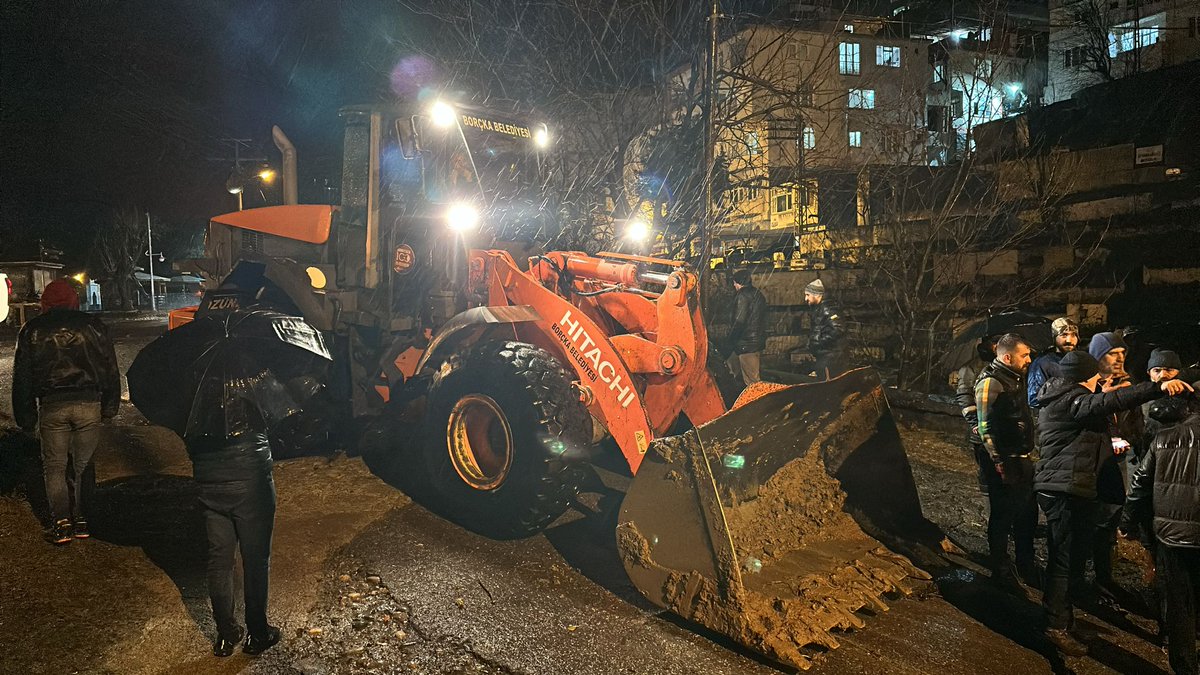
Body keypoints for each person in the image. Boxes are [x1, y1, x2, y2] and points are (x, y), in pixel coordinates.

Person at [1033, 349, 1192, 656]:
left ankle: (1064, 620)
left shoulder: (1063, 394)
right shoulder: (1072, 400)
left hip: (1069, 487)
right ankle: (1054, 626)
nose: (1101, 379)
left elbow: (1100, 406)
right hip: (1063, 489)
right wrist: (1157, 386)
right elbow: (1112, 402)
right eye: (1096, 374)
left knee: (1072, 558)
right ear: (1085, 376)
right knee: (1063, 562)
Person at [12, 279, 120, 545]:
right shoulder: (94, 326)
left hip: (52, 405)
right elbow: (109, 368)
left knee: (54, 466)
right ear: (74, 300)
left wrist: (25, 416)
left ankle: (61, 523)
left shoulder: (32, 330)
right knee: (84, 465)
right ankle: (83, 520)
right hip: (88, 403)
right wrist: (109, 405)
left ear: (45, 302)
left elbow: (22, 377)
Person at [186, 380, 284, 656]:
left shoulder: (196, 389)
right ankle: (258, 633)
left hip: (210, 482)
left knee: (219, 559)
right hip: (251, 481)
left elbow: (189, 442)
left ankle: (226, 635)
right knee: (256, 559)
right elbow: (275, 420)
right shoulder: (254, 379)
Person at [1124, 398, 1200, 675]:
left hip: (1171, 536)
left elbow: (1140, 483)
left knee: (1179, 602)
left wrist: (1129, 520)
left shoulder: (1166, 437)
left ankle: (1184, 666)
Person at [973, 333, 1037, 591]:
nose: (1029, 360)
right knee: (1002, 513)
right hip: (1005, 459)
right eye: (1025, 355)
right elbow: (984, 426)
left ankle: (1025, 565)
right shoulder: (990, 382)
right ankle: (1000, 567)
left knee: (1027, 512)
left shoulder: (1015, 378)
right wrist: (998, 460)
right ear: (1007, 357)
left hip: (1020, 457)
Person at [1088, 331, 1142, 598]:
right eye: (1112, 353)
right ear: (1098, 356)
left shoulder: (1129, 385)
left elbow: (1136, 424)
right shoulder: (1088, 386)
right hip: (1090, 464)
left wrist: (1127, 438)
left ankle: (1103, 576)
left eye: (1123, 353)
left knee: (1109, 518)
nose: (1119, 358)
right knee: (1086, 521)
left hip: (1118, 464)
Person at [722, 269, 768, 386]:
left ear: (737, 283)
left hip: (746, 344)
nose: (733, 285)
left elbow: (739, 322)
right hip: (755, 341)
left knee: (752, 382)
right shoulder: (758, 294)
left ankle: (758, 402)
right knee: (732, 368)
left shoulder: (742, 296)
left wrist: (729, 341)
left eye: (734, 282)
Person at [1027, 317, 1078, 410]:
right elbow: (1034, 400)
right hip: (1055, 418)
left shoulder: (1080, 360)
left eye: (1073, 335)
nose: (1069, 340)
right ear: (1054, 337)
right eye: (1064, 335)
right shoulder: (1043, 363)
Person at [805, 278, 845, 380]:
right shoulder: (820, 308)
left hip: (830, 358)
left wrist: (819, 342)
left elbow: (838, 329)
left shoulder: (828, 309)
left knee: (829, 386)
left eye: (808, 295)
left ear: (817, 295)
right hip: (826, 356)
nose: (806, 298)